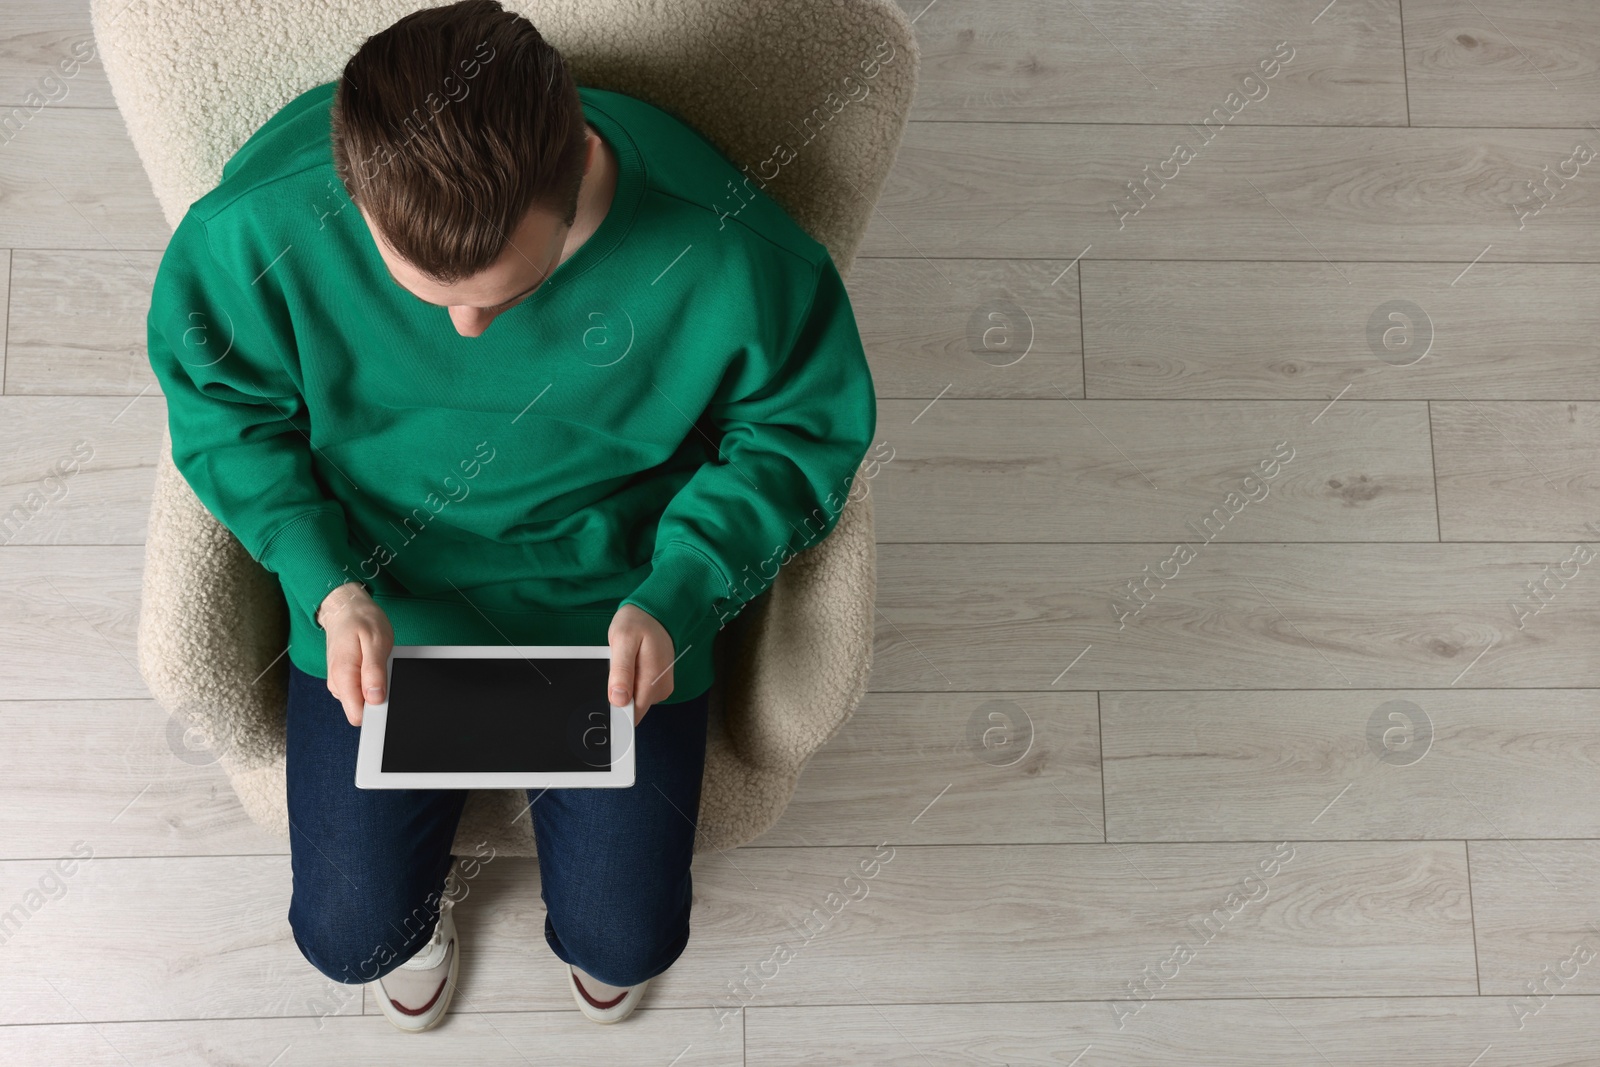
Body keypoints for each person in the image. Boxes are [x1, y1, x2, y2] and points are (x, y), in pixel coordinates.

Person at [143, 0, 878, 1032]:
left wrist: (683, 589)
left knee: (626, 937)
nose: (470, 327)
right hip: (373, 599)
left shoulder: (732, 251)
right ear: (352, 193)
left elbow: (801, 437)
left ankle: (594, 934)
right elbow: (225, 415)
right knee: (349, 938)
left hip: (620, 606)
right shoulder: (257, 230)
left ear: (577, 161)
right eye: (430, 292)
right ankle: (417, 920)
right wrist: (325, 585)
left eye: (505, 287)